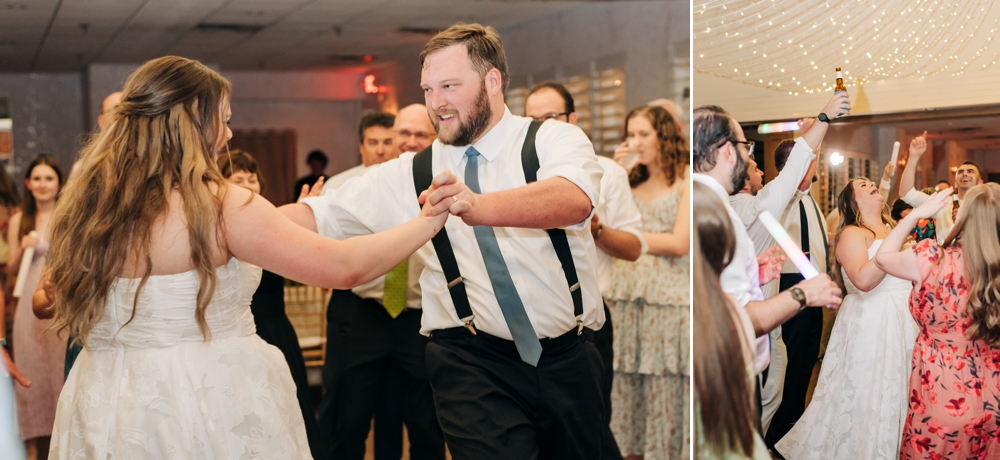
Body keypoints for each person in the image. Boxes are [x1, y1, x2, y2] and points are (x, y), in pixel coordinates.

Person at [45, 55, 455, 459]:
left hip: (109, 400)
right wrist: (426, 223)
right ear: (191, 124)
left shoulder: (90, 209)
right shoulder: (221, 206)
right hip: (207, 400)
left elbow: (243, 233)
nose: (227, 135)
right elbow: (344, 267)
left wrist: (305, 214)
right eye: (222, 120)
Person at [283, 23, 607, 459]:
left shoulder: (551, 139)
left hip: (569, 357)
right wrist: (228, 222)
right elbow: (318, 215)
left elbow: (574, 198)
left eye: (449, 86)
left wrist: (479, 206)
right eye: (428, 89)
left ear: (492, 81)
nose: (436, 103)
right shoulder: (412, 170)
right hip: (470, 361)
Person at [525, 81, 643, 460]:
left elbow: (634, 247)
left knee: (588, 428)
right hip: (526, 320)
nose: (540, 127)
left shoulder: (608, 173)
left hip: (587, 322)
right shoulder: (515, 175)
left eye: (550, 118)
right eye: (531, 120)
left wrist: (596, 228)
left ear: (572, 120)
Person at [318, 111, 445, 460]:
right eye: (402, 133)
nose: (408, 142)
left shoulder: (444, 184)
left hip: (419, 318)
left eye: (420, 134)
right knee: (351, 417)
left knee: (425, 422)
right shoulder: (345, 187)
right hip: (365, 312)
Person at [775, 177, 918, 459]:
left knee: (900, 393)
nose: (872, 184)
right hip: (873, 321)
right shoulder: (853, 233)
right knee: (868, 396)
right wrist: (905, 228)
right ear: (853, 202)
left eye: (872, 182)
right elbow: (863, 280)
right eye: (863, 185)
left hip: (903, 319)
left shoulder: (889, 227)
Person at [874, 185, 998, 459]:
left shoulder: (933, 258)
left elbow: (882, 259)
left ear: (963, 216)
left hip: (942, 392)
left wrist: (913, 216)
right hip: (995, 393)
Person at [217, 148, 323, 457]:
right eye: (239, 179)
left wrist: (307, 221)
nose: (249, 186)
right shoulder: (215, 230)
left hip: (277, 334)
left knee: (290, 411)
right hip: (234, 338)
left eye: (253, 179)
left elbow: (308, 264)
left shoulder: (274, 223)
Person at [727, 117, 827, 435]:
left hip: (736, 325)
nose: (761, 173)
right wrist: (818, 128)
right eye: (756, 168)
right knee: (766, 399)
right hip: (762, 327)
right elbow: (794, 177)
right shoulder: (758, 208)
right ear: (744, 179)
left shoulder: (721, 209)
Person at [602, 105, 689, 460]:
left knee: (664, 391)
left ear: (664, 137)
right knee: (622, 390)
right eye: (631, 134)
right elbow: (596, 229)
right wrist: (615, 173)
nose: (635, 142)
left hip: (668, 302)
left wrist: (631, 239)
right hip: (622, 296)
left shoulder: (686, 181)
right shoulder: (624, 179)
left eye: (644, 134)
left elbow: (679, 243)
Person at [693, 180, 770, 460]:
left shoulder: (710, 302)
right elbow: (755, 360)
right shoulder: (723, 310)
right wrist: (801, 295)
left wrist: (754, 277)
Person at [8, 155, 64, 460]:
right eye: (38, 179)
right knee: (32, 374)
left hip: (55, 300)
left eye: (49, 179)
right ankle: (31, 452)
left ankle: (64, 443)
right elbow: (12, 269)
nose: (43, 185)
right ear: (28, 184)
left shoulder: (67, 215)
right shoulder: (20, 220)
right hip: (26, 300)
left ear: (58, 183)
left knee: (58, 373)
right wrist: (25, 249)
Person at [899, 132, 982, 244]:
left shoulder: (987, 204)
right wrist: (913, 157)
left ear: (980, 183)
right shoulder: (943, 203)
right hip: (946, 259)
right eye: (961, 172)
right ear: (956, 183)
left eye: (970, 172)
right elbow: (906, 194)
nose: (965, 174)